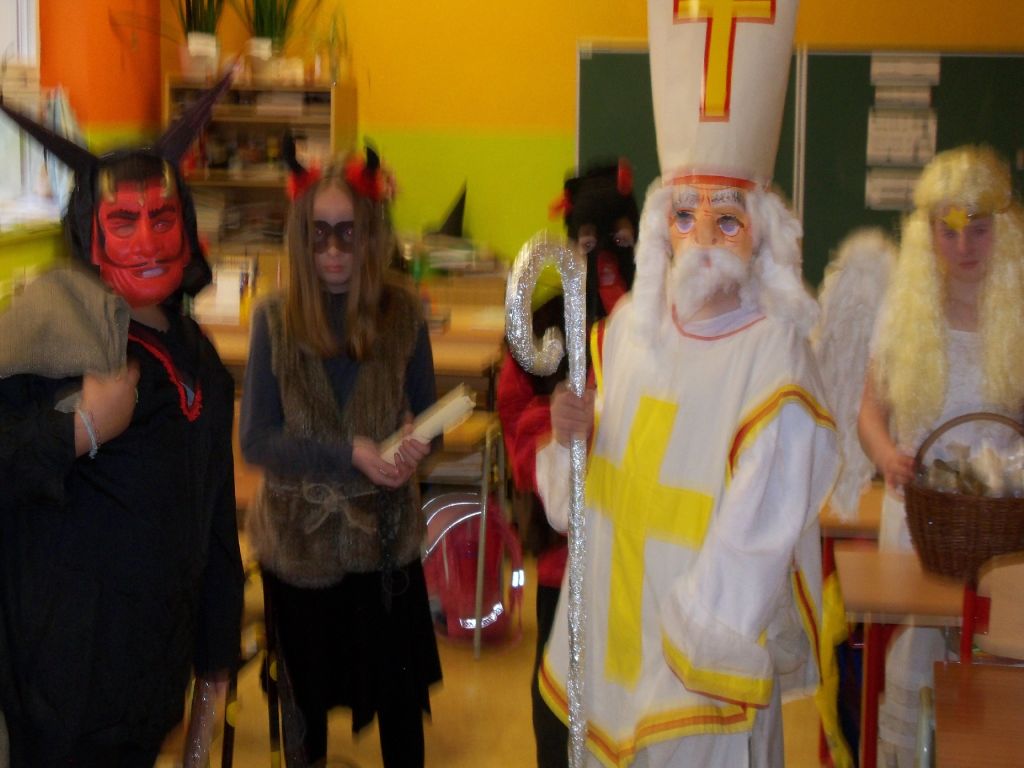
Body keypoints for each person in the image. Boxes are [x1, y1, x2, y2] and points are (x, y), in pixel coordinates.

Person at [530, 2, 849, 765]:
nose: (703, 239)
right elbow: (576, 506)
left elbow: (758, 535)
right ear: (660, 226)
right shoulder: (627, 334)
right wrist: (570, 439)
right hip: (603, 662)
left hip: (695, 689)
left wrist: (684, 662)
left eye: (727, 219)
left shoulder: (776, 363)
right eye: (685, 215)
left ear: (762, 232)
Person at [0, 73, 244, 767]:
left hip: (150, 685)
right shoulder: (49, 335)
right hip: (59, 696)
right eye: (124, 221)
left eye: (161, 219)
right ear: (89, 231)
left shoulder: (200, 359)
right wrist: (78, 430)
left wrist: (213, 679)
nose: (147, 241)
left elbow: (214, 526)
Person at [240, 149, 442, 768]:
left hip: (384, 548)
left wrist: (415, 442)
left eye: (347, 233)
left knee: (400, 710)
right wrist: (346, 454)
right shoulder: (273, 320)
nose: (332, 250)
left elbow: (428, 422)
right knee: (306, 719)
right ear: (301, 238)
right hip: (300, 551)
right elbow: (256, 441)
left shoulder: (403, 315)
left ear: (370, 234)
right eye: (319, 233)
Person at [857, 145, 1024, 767]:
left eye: (978, 229)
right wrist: (887, 455)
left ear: (1002, 230)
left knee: (994, 664)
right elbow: (868, 411)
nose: (963, 246)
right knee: (921, 654)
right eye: (948, 231)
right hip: (919, 521)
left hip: (1001, 527)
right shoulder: (904, 314)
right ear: (926, 234)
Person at [497, 161, 638, 768]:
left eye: (621, 242)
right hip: (565, 557)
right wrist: (553, 433)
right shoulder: (544, 324)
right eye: (588, 243)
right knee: (560, 702)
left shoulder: (661, 324)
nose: (605, 259)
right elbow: (515, 416)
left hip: (640, 556)